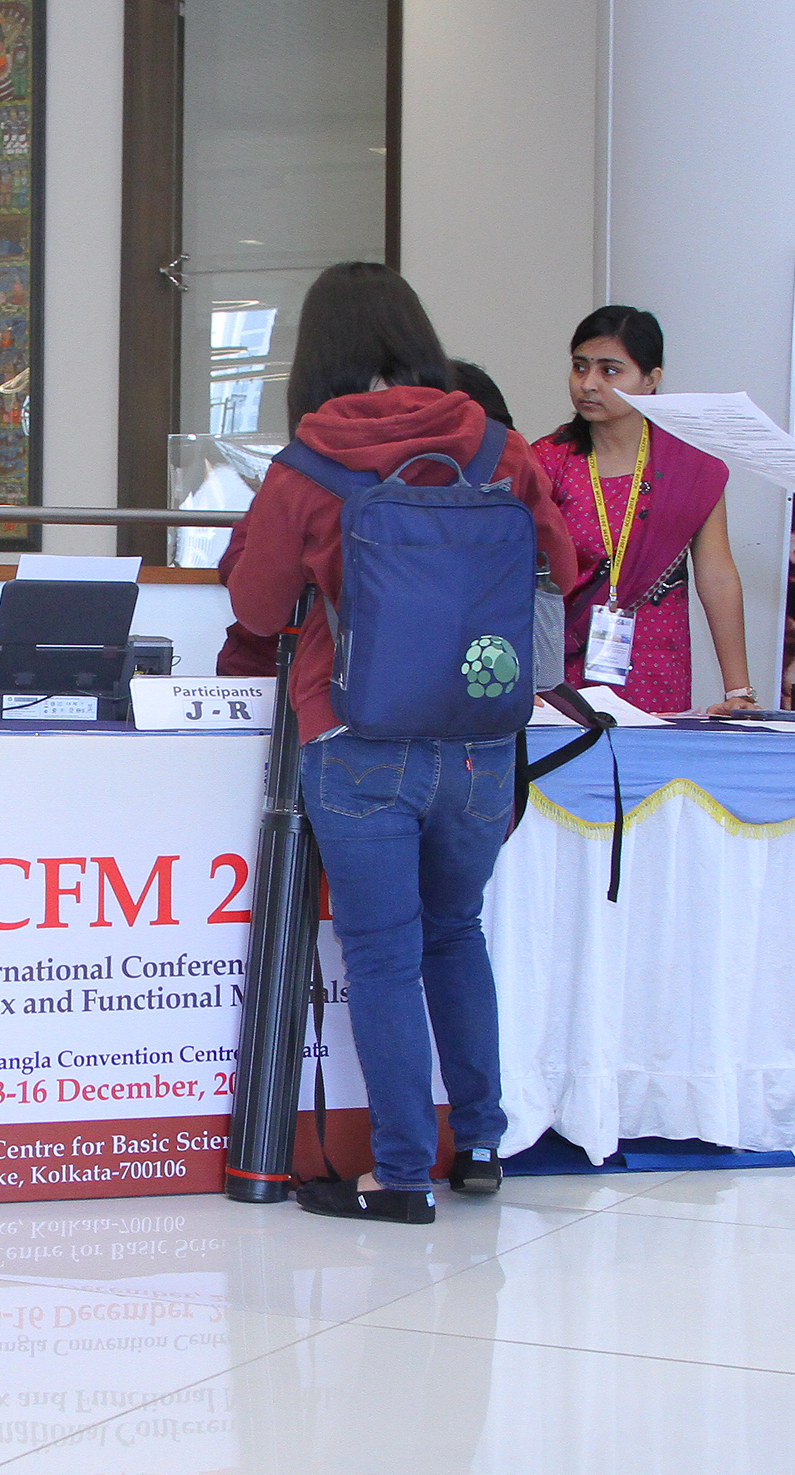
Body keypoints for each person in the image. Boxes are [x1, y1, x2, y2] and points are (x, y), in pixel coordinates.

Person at [225, 263, 577, 1224]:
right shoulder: (500, 446)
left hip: (357, 735)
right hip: (481, 737)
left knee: (383, 957)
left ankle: (403, 1174)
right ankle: (483, 1147)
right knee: (457, 932)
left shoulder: (310, 462)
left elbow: (257, 606)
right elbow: (562, 565)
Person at [214, 356, 518, 678]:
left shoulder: (304, 471)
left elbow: (258, 609)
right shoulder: (506, 453)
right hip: (477, 675)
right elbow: (547, 573)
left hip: (338, 679)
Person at [533, 307, 753, 715]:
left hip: (656, 663)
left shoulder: (691, 469)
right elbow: (517, 575)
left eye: (609, 371)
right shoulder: (547, 461)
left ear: (650, 379)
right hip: (558, 667)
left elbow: (718, 577)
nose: (588, 383)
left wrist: (738, 691)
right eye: (580, 367)